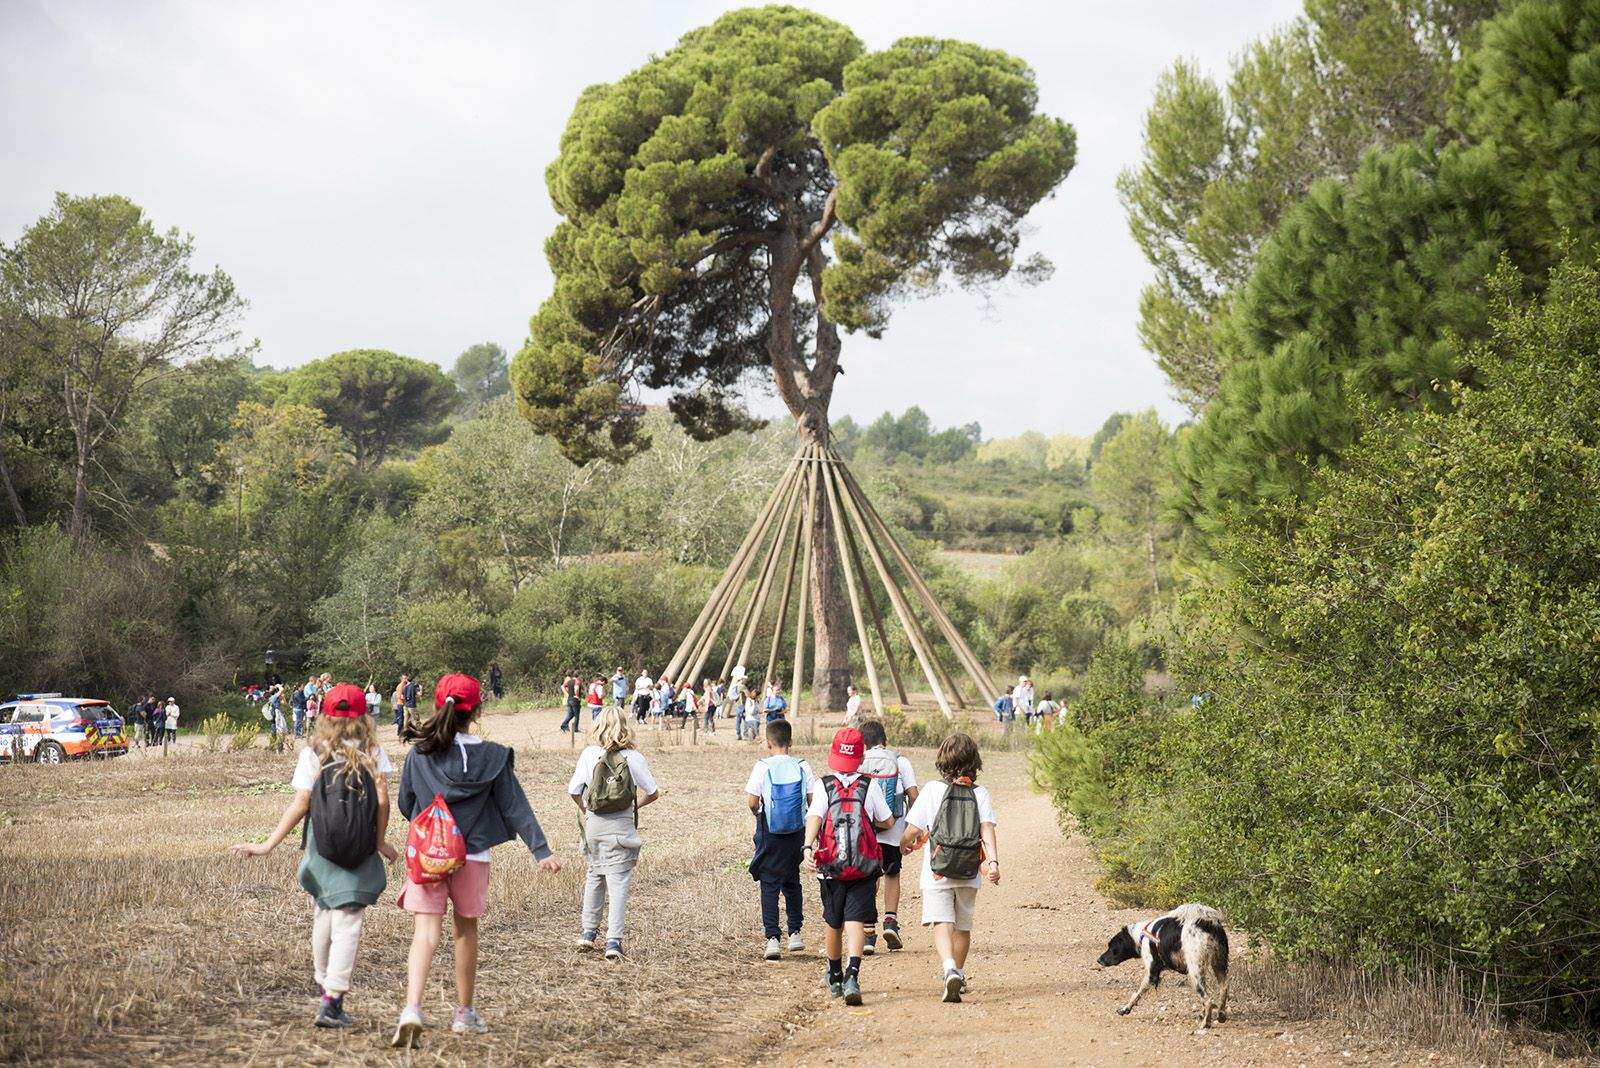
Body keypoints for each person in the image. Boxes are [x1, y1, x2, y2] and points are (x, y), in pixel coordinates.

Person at [392, 673, 560, 1048]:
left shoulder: (419, 755)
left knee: (426, 933)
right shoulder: (494, 757)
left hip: (428, 855)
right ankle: (464, 1014)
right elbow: (515, 805)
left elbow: (406, 804)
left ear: (438, 706)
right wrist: (541, 851)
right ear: (478, 711)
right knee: (465, 931)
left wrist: (430, 819)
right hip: (474, 855)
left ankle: (413, 1008)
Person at [229, 682, 397, 1028]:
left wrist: (266, 845)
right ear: (363, 716)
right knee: (349, 918)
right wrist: (380, 840)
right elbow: (382, 800)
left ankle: (324, 985)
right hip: (361, 844)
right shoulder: (374, 753)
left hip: (322, 845)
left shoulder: (313, 754)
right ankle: (333, 999)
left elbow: (301, 804)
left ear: (325, 715)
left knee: (324, 911)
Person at [901, 732, 1000, 1003]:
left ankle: (948, 969)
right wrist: (993, 863)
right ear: (974, 761)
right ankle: (960, 971)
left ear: (943, 761)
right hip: (969, 869)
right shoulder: (980, 793)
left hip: (938, 869)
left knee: (942, 921)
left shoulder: (933, 790)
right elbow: (987, 830)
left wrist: (903, 845)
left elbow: (912, 830)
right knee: (963, 925)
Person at [803, 727, 893, 1006]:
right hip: (863, 866)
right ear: (861, 756)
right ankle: (853, 974)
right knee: (855, 921)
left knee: (834, 922)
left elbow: (815, 817)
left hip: (831, 864)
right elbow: (887, 821)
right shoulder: (870, 785)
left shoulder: (824, 784)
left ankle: (835, 975)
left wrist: (807, 847)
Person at [568, 706, 659, 961]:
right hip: (621, 826)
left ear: (598, 727)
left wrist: (587, 810)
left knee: (595, 875)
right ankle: (613, 941)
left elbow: (574, 790)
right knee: (618, 883)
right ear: (625, 727)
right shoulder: (634, 757)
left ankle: (587, 932)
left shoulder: (589, 754)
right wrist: (632, 807)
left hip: (594, 826)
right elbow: (653, 792)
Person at [746, 719, 813, 960]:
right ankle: (795, 932)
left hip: (770, 830)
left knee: (769, 882)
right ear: (791, 742)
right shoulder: (803, 765)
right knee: (792, 879)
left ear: (768, 744)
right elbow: (812, 801)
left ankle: (773, 938)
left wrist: (759, 815)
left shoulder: (762, 766)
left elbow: (752, 801)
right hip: (797, 831)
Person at [859, 718, 918, 955]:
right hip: (894, 832)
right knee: (892, 874)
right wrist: (910, 827)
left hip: (867, 831)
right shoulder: (900, 760)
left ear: (863, 743)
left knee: (869, 879)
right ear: (885, 739)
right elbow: (913, 795)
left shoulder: (860, 761)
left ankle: (868, 932)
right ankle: (891, 921)